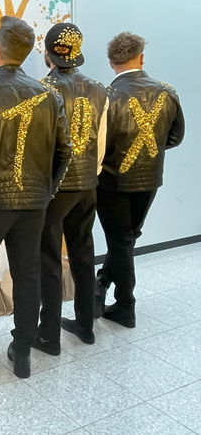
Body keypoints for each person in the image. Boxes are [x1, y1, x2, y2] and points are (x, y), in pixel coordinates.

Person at [0, 16, 71, 379]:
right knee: (27, 276)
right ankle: (22, 352)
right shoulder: (50, 95)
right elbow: (65, 151)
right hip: (33, 202)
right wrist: (46, 191)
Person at [95, 32, 185, 328]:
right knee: (127, 238)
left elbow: (99, 145)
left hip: (112, 182)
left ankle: (124, 305)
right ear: (142, 58)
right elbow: (175, 137)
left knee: (121, 240)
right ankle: (104, 284)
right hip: (150, 180)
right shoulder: (167, 92)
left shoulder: (105, 97)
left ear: (111, 62)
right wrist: (149, 153)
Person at [34, 23, 108, 354]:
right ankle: (86, 324)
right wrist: (92, 173)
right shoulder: (100, 89)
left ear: (47, 53)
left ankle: (49, 335)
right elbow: (101, 142)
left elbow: (40, 146)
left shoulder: (41, 90)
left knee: (49, 259)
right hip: (88, 184)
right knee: (83, 252)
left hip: (55, 187)